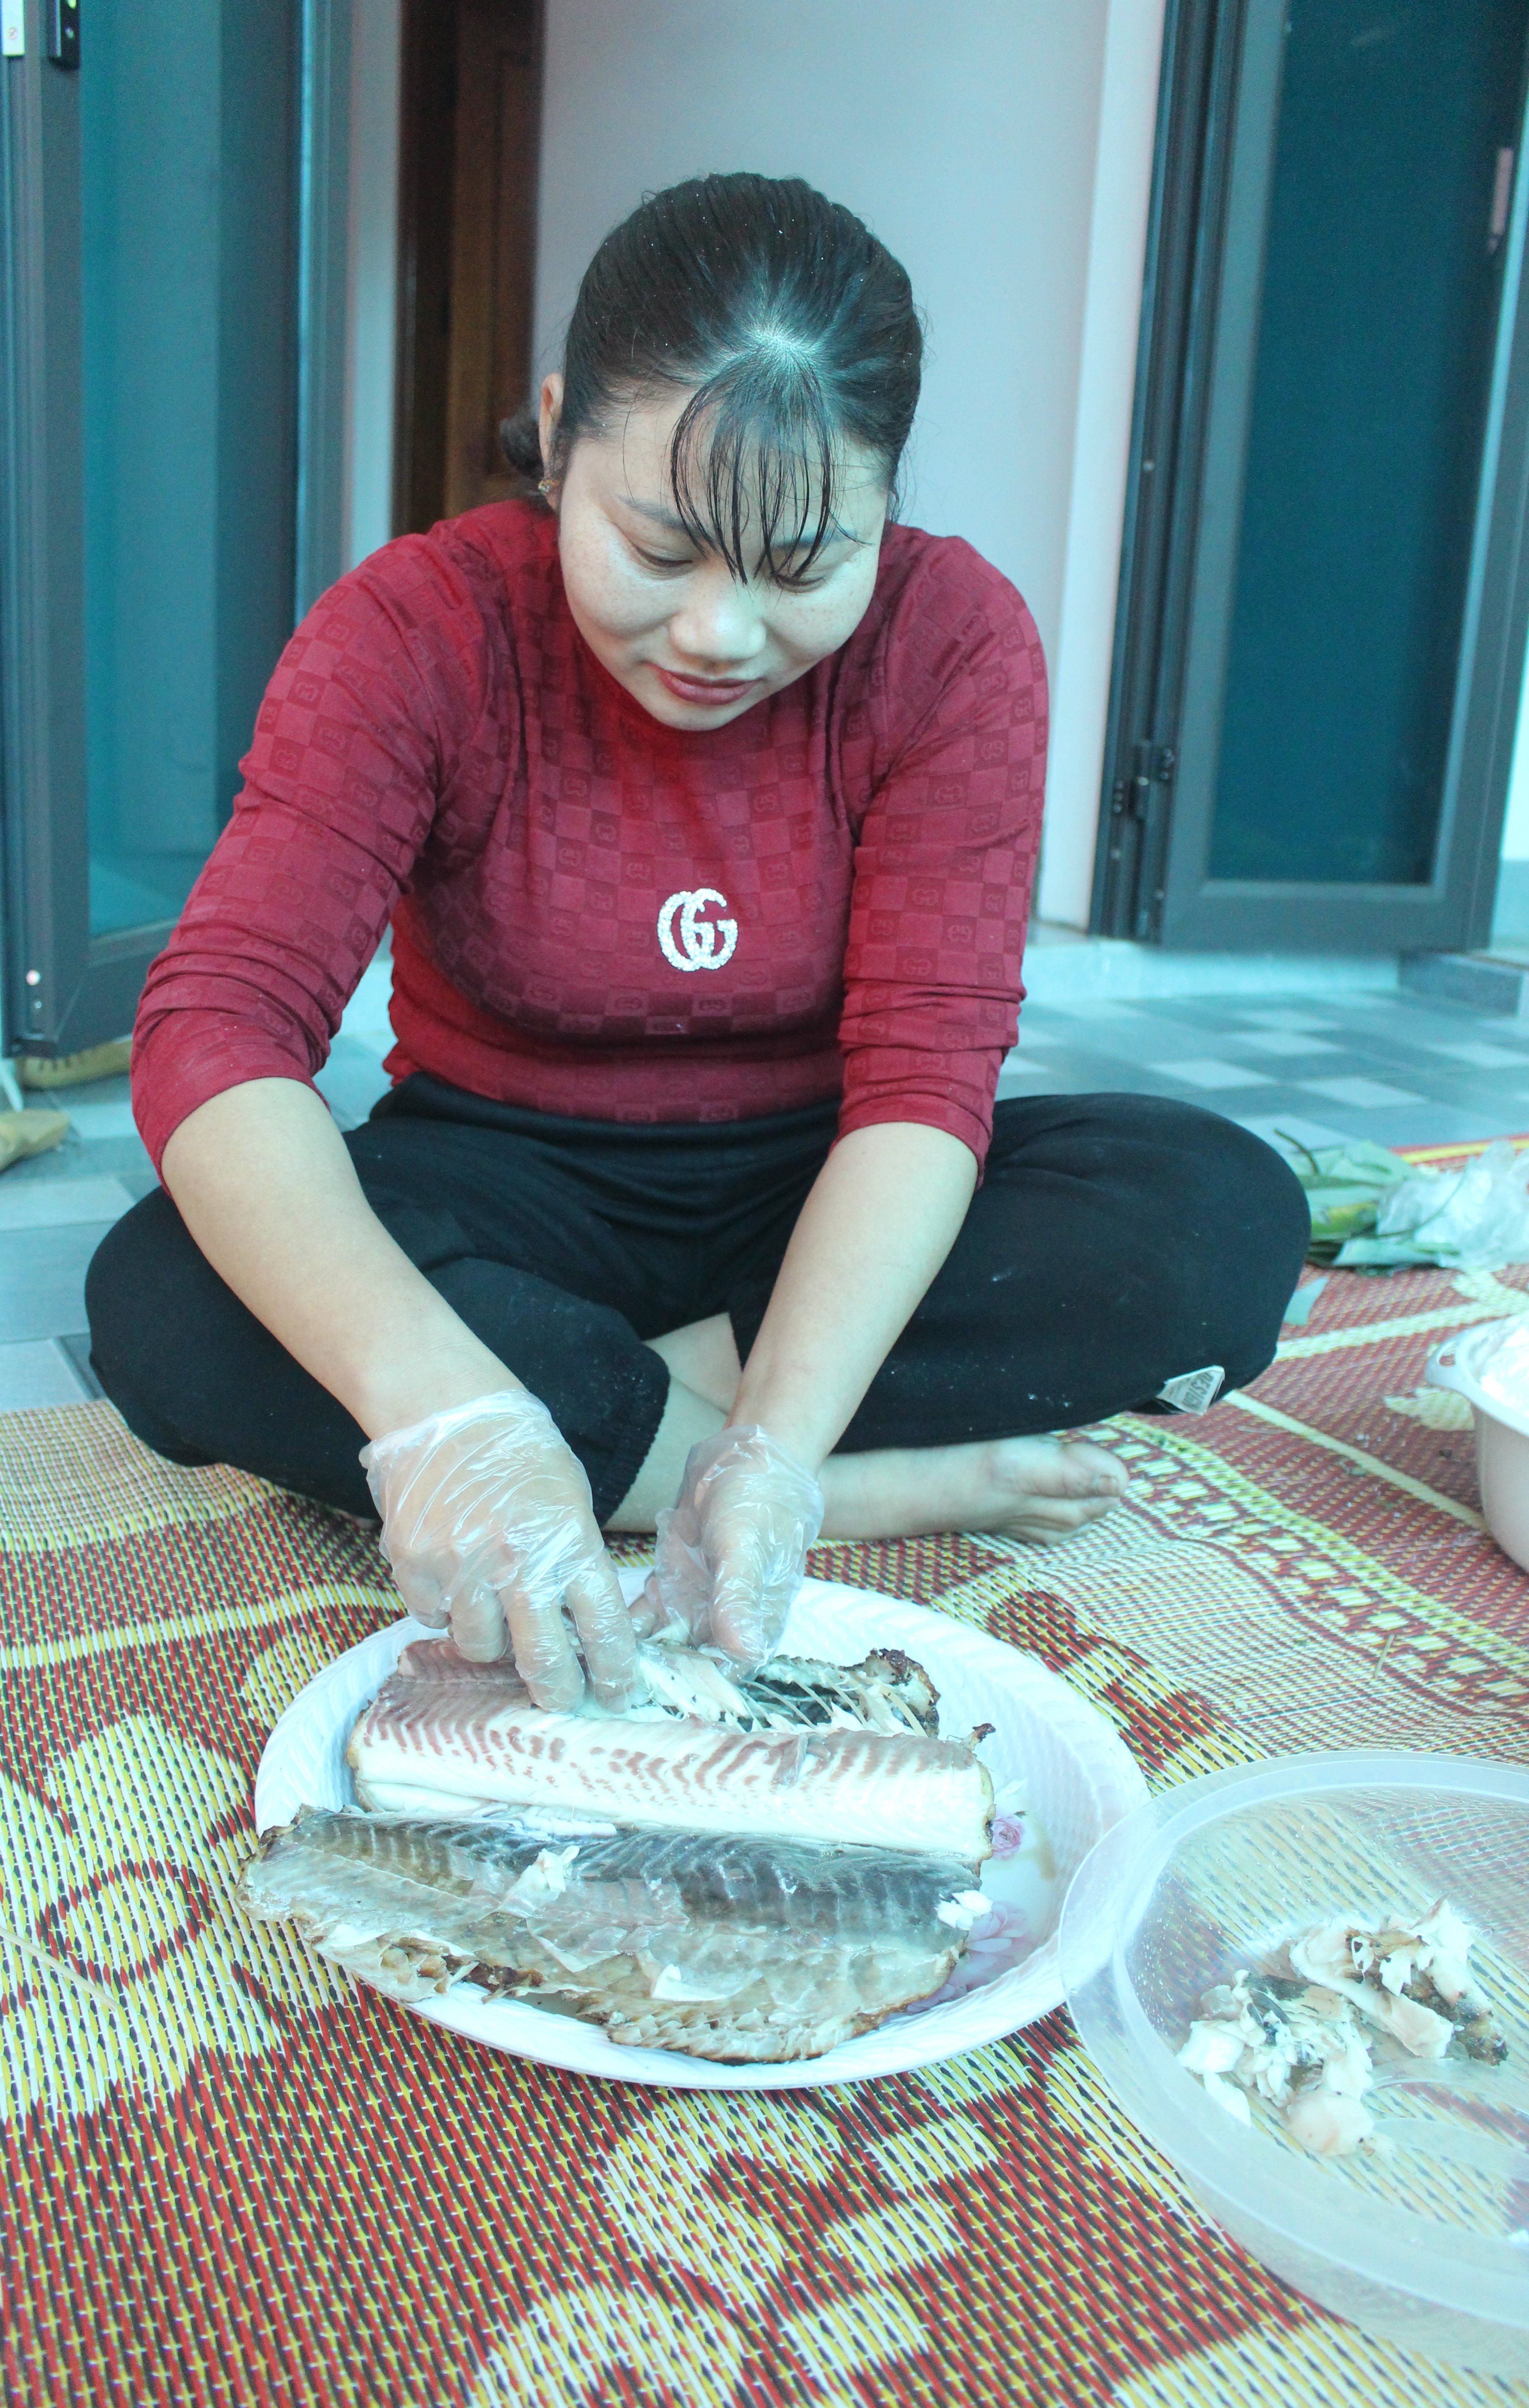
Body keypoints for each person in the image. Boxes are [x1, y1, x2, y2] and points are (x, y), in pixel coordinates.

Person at [86, 173, 1307, 1719]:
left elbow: (928, 1082)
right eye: (658, 550)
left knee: (1215, 1216)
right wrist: (444, 1411)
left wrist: (778, 1444)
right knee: (164, 1290)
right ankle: (813, 1476)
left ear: (885, 502)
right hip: (503, 1178)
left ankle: (678, 1446)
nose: (718, 636)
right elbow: (220, 1025)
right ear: (557, 434)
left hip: (813, 1192)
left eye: (800, 567)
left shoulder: (955, 641)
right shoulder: (419, 628)